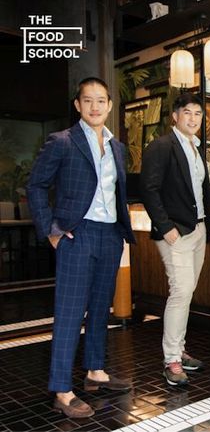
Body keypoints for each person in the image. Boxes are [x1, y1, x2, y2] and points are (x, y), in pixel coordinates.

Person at [26, 77, 135, 418]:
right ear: (78, 105)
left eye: (101, 100)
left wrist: (120, 231)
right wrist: (52, 231)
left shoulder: (117, 147)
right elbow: (35, 185)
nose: (95, 106)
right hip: (77, 234)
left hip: (109, 235)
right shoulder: (62, 141)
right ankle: (62, 389)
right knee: (70, 313)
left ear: (110, 105)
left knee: (101, 308)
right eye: (88, 100)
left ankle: (95, 371)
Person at [140, 93, 210, 386]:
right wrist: (165, 227)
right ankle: (171, 360)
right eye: (187, 112)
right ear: (175, 116)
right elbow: (149, 189)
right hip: (176, 232)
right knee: (181, 291)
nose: (193, 118)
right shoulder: (161, 146)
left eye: (198, 113)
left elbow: (201, 190)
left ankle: (179, 350)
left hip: (197, 229)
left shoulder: (196, 147)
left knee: (187, 292)